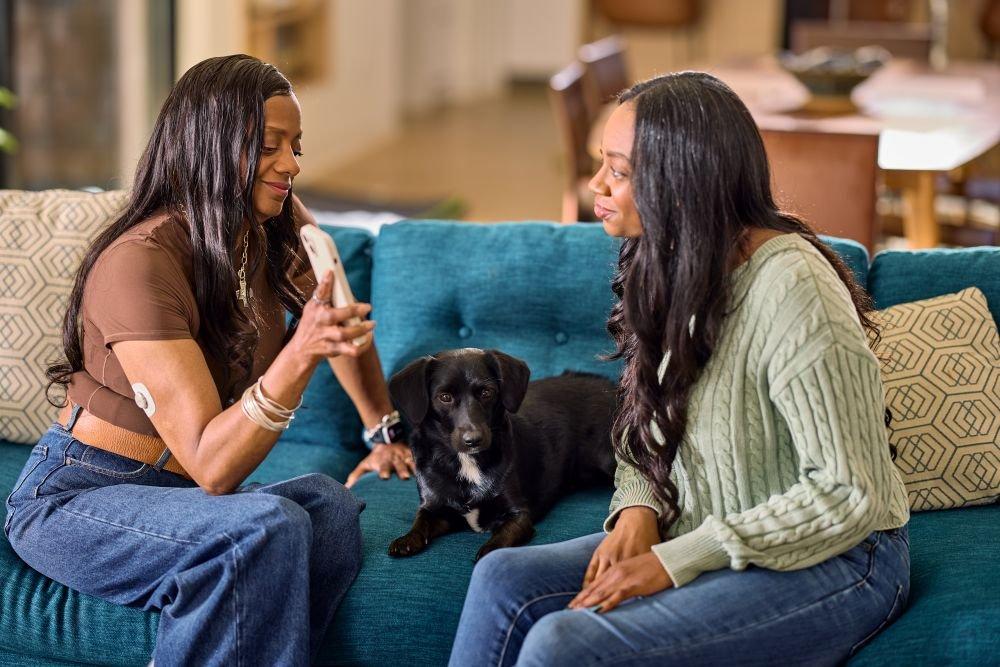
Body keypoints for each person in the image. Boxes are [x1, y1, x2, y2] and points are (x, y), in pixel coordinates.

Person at [449, 72, 911, 667]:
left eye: (619, 171)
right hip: (711, 532)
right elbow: (644, 425)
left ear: (682, 179)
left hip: (842, 558)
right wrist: (639, 506)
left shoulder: (795, 288)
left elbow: (852, 494)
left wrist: (678, 559)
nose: (596, 184)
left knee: (562, 646)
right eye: (601, 163)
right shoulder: (676, 260)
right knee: (501, 579)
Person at [3, 54, 410, 666]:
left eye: (296, 146)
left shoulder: (270, 227)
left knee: (328, 509)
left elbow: (339, 319)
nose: (292, 165)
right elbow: (213, 466)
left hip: (175, 491)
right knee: (265, 527)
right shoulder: (140, 262)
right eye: (270, 147)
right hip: (78, 495)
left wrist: (384, 431)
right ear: (211, 148)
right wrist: (300, 353)